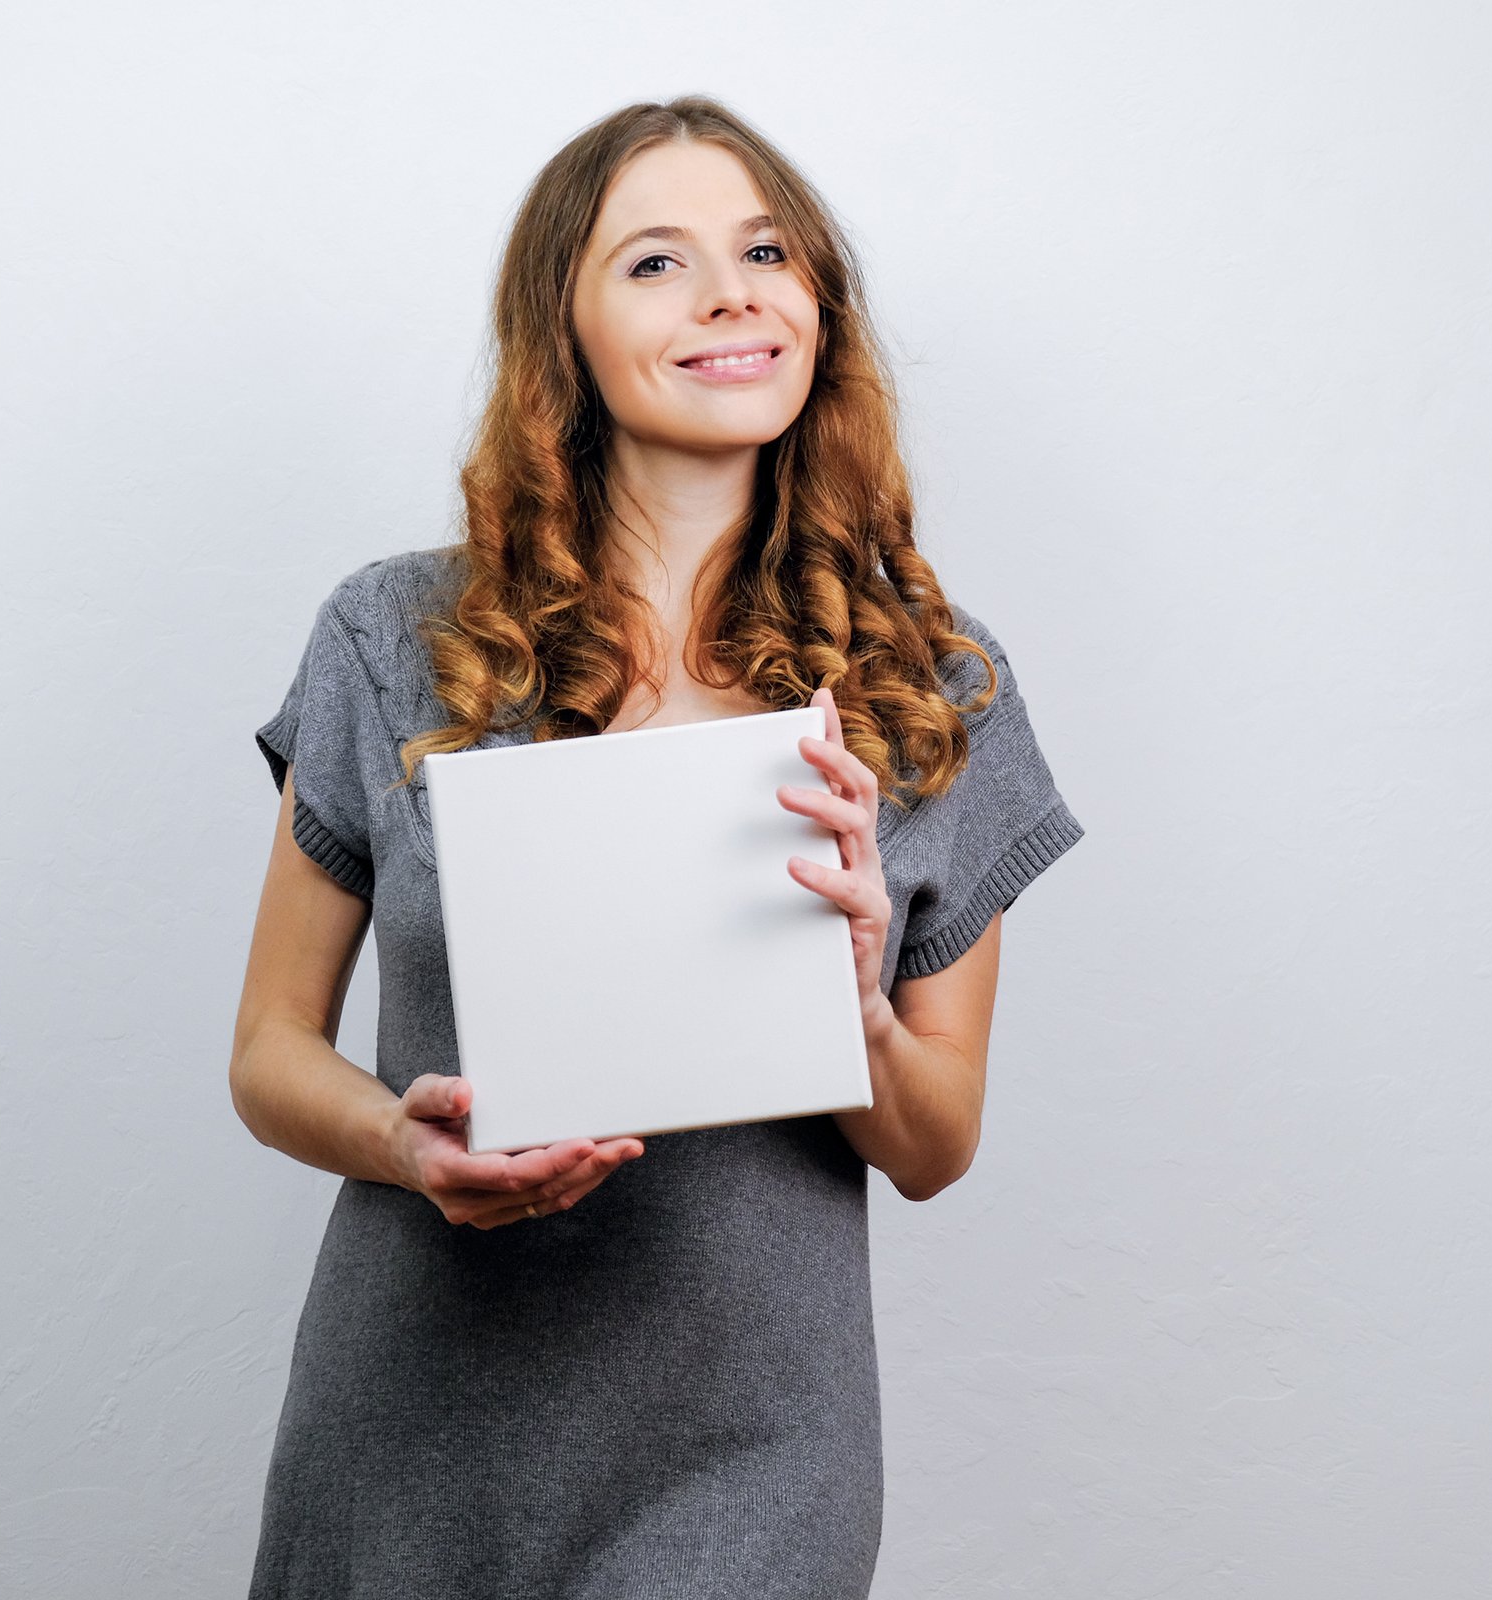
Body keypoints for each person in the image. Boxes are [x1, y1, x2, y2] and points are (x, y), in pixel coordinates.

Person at [231, 95, 1084, 1600]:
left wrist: (864, 1004)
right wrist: (399, 1146)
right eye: (657, 262)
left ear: (819, 305)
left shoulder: (930, 685)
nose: (731, 294)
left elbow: (937, 1148)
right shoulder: (397, 637)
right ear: (561, 323)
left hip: (753, 1444)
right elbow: (267, 1052)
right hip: (417, 1413)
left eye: (765, 250)